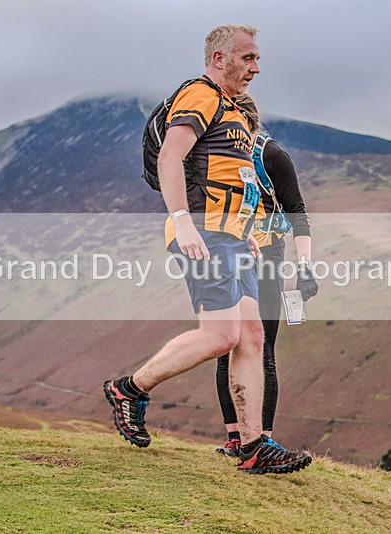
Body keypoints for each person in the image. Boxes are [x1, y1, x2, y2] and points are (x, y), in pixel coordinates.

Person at [104, 24, 311, 474]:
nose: (256, 68)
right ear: (219, 59)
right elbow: (170, 157)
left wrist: (250, 237)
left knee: (251, 336)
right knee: (222, 336)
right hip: (203, 231)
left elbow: (239, 185)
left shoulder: (235, 112)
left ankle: (253, 445)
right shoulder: (200, 95)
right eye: (247, 58)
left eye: (257, 58)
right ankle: (130, 388)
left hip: (234, 237)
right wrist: (184, 223)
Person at [214, 93, 318, 456]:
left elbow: (298, 213)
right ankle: (235, 438)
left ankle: (261, 439)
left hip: (267, 257)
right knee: (225, 345)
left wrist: (305, 268)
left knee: (261, 348)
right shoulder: (215, 156)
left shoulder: (271, 156)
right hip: (228, 254)